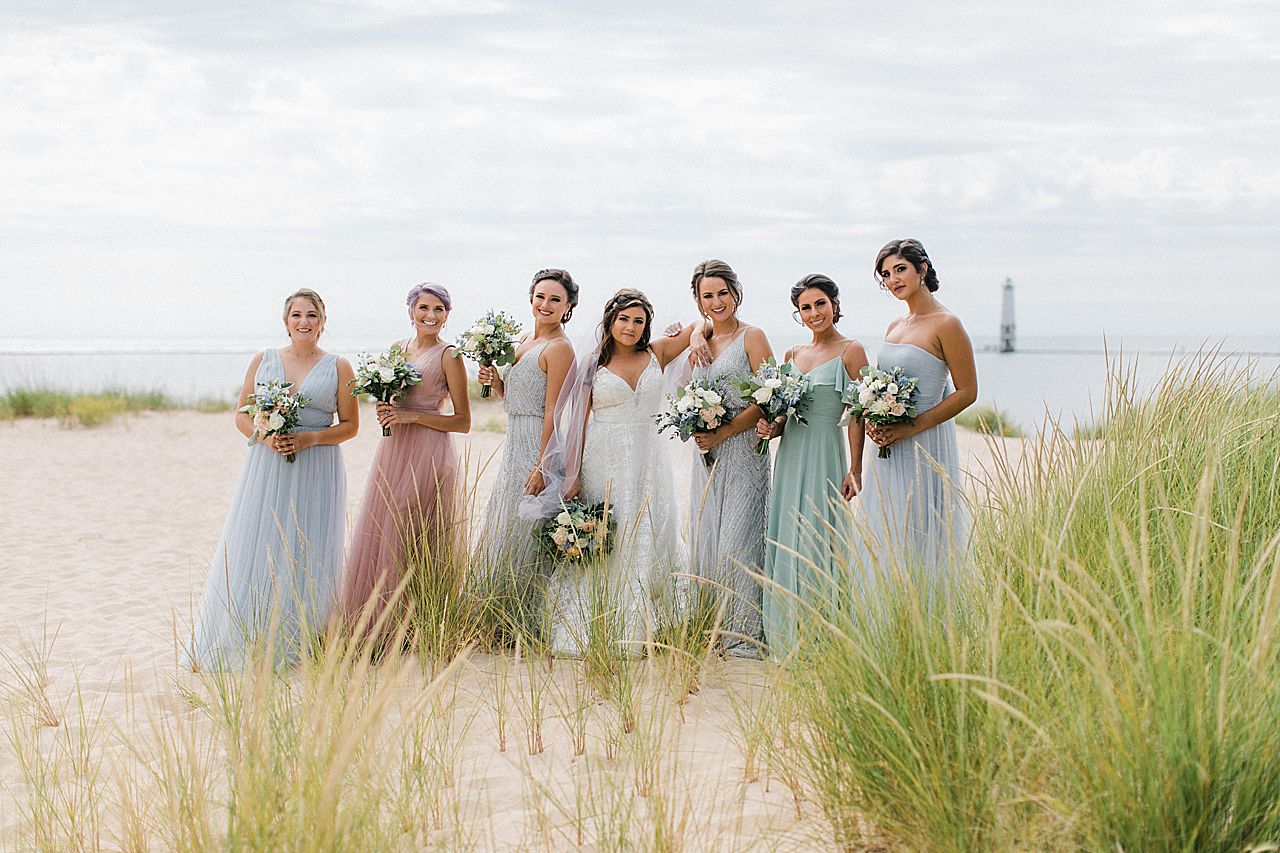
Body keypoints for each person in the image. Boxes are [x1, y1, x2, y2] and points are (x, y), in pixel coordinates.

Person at [186, 289, 358, 669]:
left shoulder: (339, 367)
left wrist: (311, 437)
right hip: (266, 465)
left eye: (312, 315)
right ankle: (255, 634)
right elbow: (241, 415)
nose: (304, 322)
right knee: (259, 542)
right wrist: (265, 437)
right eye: (297, 315)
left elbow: (350, 427)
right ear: (286, 322)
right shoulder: (263, 361)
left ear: (322, 321)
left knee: (309, 547)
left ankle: (306, 640)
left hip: (318, 465)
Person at [534, 288, 699, 657]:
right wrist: (572, 473)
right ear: (610, 322)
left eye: (638, 321)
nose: (631, 326)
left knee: (651, 530)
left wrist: (693, 333)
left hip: (649, 456)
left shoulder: (657, 352)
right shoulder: (592, 363)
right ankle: (602, 622)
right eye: (624, 318)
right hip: (604, 456)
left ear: (646, 326)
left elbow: (702, 322)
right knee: (613, 535)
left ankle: (648, 624)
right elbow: (576, 422)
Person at [340, 283, 471, 638]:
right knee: (384, 527)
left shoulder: (450, 355)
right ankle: (380, 623)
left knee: (414, 530)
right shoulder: (399, 349)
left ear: (447, 315)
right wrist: (386, 407)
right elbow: (395, 398)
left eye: (439, 309)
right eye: (424, 308)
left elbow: (463, 421)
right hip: (395, 448)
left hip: (430, 449)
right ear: (411, 311)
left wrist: (413, 417)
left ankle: (416, 625)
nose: (431, 315)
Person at [756, 274, 868, 658]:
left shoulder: (852, 351)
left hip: (825, 452)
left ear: (835, 304)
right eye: (806, 307)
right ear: (798, 313)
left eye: (821, 303)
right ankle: (785, 634)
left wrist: (855, 467)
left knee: (820, 535)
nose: (814, 312)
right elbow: (784, 415)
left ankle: (821, 639)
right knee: (788, 532)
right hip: (790, 454)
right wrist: (770, 427)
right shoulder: (791, 356)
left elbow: (859, 413)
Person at [858, 239, 975, 592]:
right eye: (886, 274)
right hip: (886, 449)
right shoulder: (895, 325)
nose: (893, 280)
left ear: (922, 268)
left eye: (900, 269)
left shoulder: (947, 324)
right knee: (886, 527)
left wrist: (910, 427)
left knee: (919, 527)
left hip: (923, 443)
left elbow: (967, 392)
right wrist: (873, 417)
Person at [475, 269, 577, 626]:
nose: (545, 304)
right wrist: (498, 384)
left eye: (555, 299)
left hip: (537, 445)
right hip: (514, 439)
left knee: (528, 530)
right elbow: (517, 399)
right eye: (540, 297)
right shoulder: (522, 341)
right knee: (506, 524)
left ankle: (529, 618)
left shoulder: (560, 349)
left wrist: (542, 465)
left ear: (568, 306)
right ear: (531, 299)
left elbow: (554, 411)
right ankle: (501, 614)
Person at [683, 260, 774, 657]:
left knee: (738, 542)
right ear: (699, 301)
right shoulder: (699, 340)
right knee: (707, 540)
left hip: (742, 453)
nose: (717, 301)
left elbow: (771, 396)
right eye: (708, 295)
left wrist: (724, 431)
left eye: (723, 293)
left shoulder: (752, 337)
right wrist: (691, 335)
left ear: (736, 293)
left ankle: (743, 634)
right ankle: (711, 628)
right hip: (707, 458)